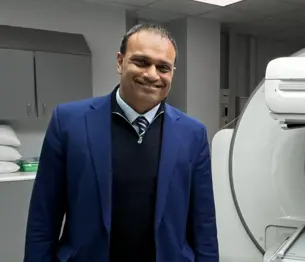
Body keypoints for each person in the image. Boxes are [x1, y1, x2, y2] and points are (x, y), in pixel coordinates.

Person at [23, 24, 218, 262]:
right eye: (142, 62)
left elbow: (203, 222)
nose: (152, 74)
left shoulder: (193, 134)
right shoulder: (69, 122)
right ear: (120, 61)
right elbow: (44, 215)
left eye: (163, 67)